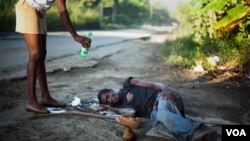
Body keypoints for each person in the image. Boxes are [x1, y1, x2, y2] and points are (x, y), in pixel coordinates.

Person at [15, 0, 91, 114]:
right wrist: (75, 36)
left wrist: (75, 36)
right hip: (28, 7)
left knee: (42, 54)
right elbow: (61, 10)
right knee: (35, 54)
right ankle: (31, 101)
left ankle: (45, 97)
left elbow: (61, 6)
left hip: (39, 12)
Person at [98, 77, 217, 141]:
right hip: (155, 113)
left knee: (163, 116)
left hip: (163, 98)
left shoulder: (126, 86)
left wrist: (163, 87)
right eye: (107, 101)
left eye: (108, 95)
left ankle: (197, 132)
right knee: (160, 128)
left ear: (111, 90)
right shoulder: (121, 108)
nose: (110, 99)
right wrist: (112, 109)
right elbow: (132, 112)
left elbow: (142, 82)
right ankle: (193, 134)